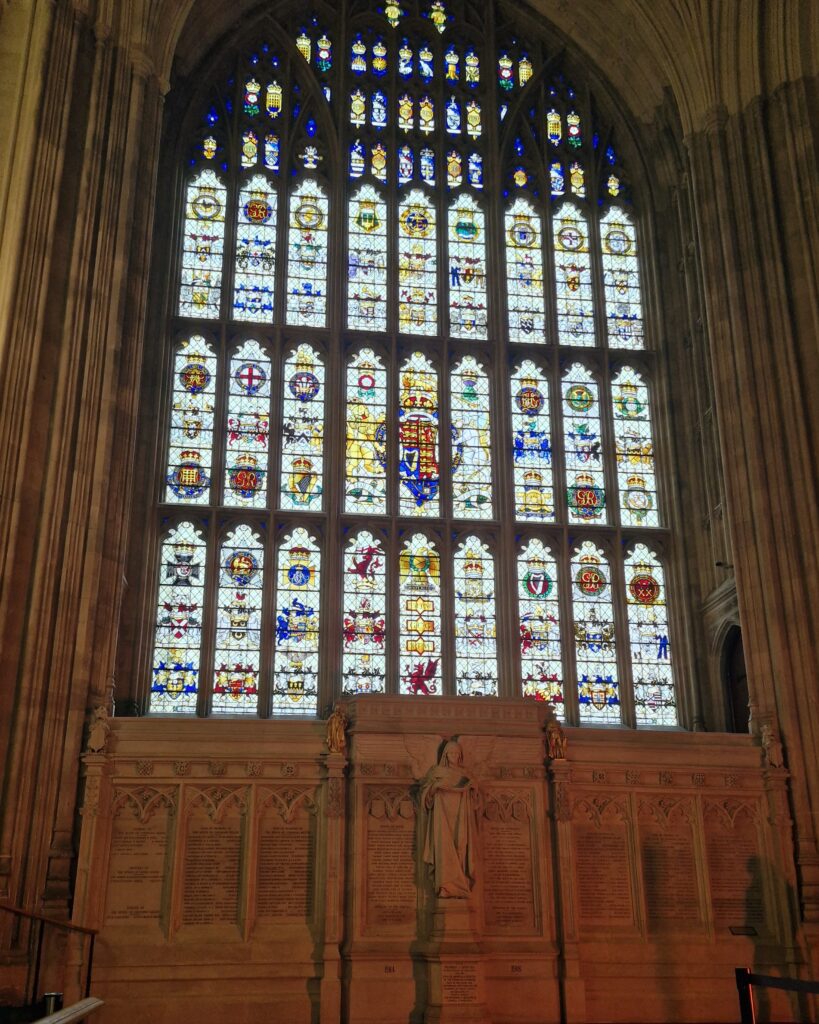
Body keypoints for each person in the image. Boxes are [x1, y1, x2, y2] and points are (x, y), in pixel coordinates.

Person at [420, 739, 481, 898]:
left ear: (460, 756)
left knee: (461, 846)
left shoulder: (465, 774)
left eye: (456, 754)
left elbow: (476, 800)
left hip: (461, 816)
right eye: (451, 753)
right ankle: (446, 887)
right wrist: (434, 788)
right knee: (443, 849)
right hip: (442, 817)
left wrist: (474, 789)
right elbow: (426, 796)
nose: (454, 756)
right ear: (446, 755)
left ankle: (460, 885)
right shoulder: (437, 771)